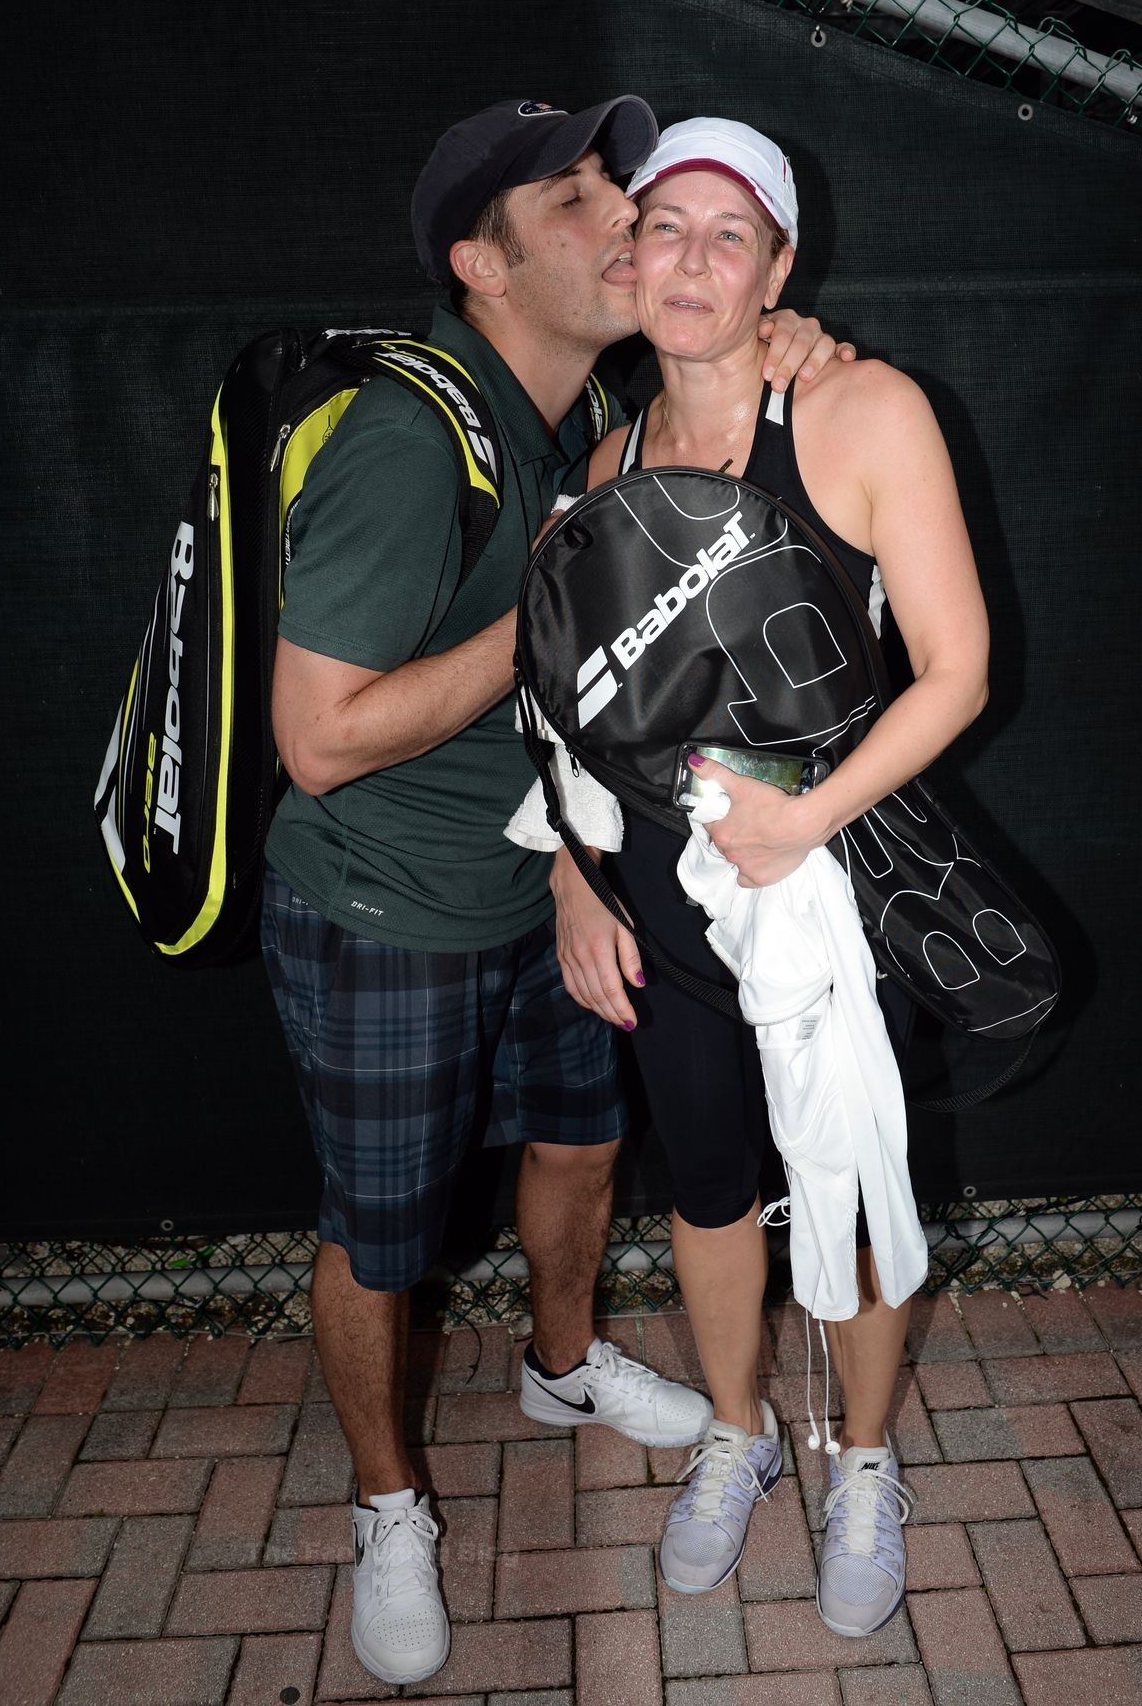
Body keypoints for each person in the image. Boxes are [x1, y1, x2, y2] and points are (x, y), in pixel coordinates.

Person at [260, 94, 853, 1687]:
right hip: (386, 910)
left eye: (621, 189)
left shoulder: (576, 407)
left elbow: (726, 369)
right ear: (485, 264)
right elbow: (318, 740)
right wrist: (543, 608)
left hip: (551, 886)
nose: (624, 220)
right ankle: (387, 1500)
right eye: (576, 201)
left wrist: (793, 341)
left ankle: (562, 1362)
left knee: (583, 1149)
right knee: (381, 1236)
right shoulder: (407, 442)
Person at [549, 116, 990, 1636]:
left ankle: (862, 1458)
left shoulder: (861, 411)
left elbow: (955, 671)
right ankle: (735, 1432)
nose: (690, 261)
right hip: (668, 898)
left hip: (841, 882)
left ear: (777, 269)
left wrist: (807, 822)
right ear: (628, 257)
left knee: (856, 1175)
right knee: (710, 1183)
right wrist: (573, 880)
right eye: (664, 227)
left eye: (728, 234)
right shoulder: (606, 464)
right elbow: (579, 712)